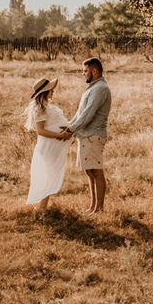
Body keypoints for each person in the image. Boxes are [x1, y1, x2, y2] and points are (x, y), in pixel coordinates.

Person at [65, 57, 111, 214]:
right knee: (89, 172)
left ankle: (99, 209)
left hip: (94, 135)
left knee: (96, 171)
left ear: (94, 71)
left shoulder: (100, 89)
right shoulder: (92, 87)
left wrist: (70, 130)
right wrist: (68, 126)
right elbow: (80, 113)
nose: (83, 74)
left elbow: (88, 114)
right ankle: (93, 206)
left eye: (85, 71)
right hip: (85, 135)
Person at [24, 78, 72, 209]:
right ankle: (42, 208)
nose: (53, 91)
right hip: (48, 147)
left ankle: (43, 206)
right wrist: (60, 135)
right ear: (45, 92)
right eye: (51, 89)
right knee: (48, 176)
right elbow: (40, 131)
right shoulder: (39, 109)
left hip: (53, 146)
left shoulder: (48, 106)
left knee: (51, 175)